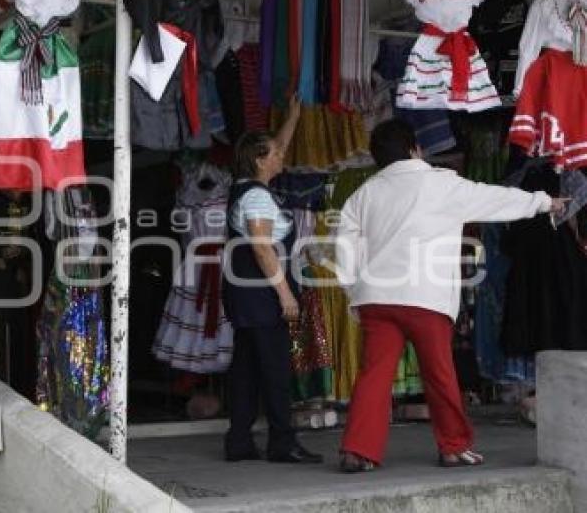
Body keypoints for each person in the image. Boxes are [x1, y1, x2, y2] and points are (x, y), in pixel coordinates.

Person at [335, 119, 567, 472]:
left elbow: (345, 243)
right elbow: (494, 199)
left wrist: (352, 288)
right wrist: (543, 202)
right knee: (440, 374)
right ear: (415, 148)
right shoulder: (441, 184)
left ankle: (357, 450)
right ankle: (454, 447)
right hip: (426, 296)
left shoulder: (365, 193)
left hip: (376, 297)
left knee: (374, 375)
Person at [221, 95, 323, 464]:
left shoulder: (244, 187)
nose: (282, 155)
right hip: (262, 297)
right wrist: (285, 295)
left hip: (243, 296)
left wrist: (293, 115)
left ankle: (239, 440)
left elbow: (277, 145)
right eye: (275, 154)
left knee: (246, 369)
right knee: (276, 370)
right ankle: (283, 441)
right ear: (260, 160)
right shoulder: (259, 199)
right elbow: (263, 249)